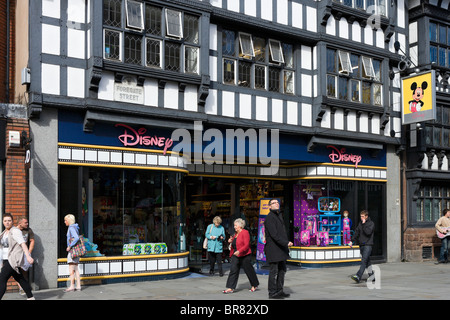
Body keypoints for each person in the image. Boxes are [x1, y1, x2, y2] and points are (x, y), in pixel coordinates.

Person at [0, 213, 35, 300]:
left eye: (9, 220)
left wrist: (28, 256)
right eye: (5, 221)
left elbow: (23, 244)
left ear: (12, 221)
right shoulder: (4, 233)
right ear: (3, 222)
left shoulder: (15, 231)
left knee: (2, 279)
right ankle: (31, 297)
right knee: (20, 278)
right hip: (5, 259)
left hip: (12, 260)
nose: (7, 222)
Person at [264, 199, 293, 299]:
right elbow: (274, 235)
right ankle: (272, 292)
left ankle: (279, 290)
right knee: (274, 271)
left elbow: (281, 232)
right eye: (273, 203)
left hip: (281, 248)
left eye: (277, 202)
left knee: (282, 270)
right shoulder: (269, 218)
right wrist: (286, 243)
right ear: (269, 206)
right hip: (273, 248)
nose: (276, 204)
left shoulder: (278, 215)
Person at [223, 218, 259, 294]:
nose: (234, 227)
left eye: (235, 225)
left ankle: (254, 284)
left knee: (248, 270)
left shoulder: (245, 232)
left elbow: (246, 245)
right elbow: (234, 244)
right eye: (234, 225)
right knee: (233, 270)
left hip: (244, 254)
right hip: (236, 254)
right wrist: (230, 241)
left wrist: (239, 251)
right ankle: (231, 287)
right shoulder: (235, 234)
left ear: (240, 225)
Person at [349, 210, 375, 283]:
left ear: (366, 216)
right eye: (361, 216)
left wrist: (364, 225)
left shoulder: (371, 223)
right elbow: (356, 232)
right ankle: (372, 276)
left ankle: (358, 276)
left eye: (363, 216)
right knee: (367, 262)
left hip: (368, 245)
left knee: (364, 261)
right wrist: (351, 241)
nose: (361, 218)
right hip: (362, 245)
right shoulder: (360, 224)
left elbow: (368, 233)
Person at [17, 217, 35, 295]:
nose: (27, 224)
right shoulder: (14, 230)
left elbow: (32, 240)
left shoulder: (28, 230)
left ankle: (24, 287)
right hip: (16, 253)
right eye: (25, 223)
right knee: (16, 271)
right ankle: (21, 288)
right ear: (20, 223)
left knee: (24, 270)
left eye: (27, 222)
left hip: (25, 254)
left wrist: (29, 252)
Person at [64, 214, 82, 292]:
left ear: (69, 220)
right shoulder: (75, 227)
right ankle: (78, 286)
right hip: (76, 251)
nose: (64, 222)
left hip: (72, 251)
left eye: (65, 220)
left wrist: (69, 246)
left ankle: (72, 286)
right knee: (76, 269)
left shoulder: (71, 228)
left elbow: (76, 238)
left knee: (71, 269)